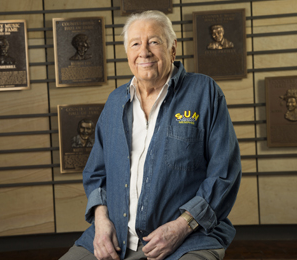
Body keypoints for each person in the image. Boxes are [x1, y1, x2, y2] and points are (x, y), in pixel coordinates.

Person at [60, 10, 241, 260]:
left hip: (188, 238)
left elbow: (224, 173)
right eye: (135, 44)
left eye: (154, 42)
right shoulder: (115, 103)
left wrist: (182, 226)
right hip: (115, 238)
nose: (144, 51)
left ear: (172, 49)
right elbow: (96, 173)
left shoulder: (204, 92)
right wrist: (101, 222)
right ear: (128, 53)